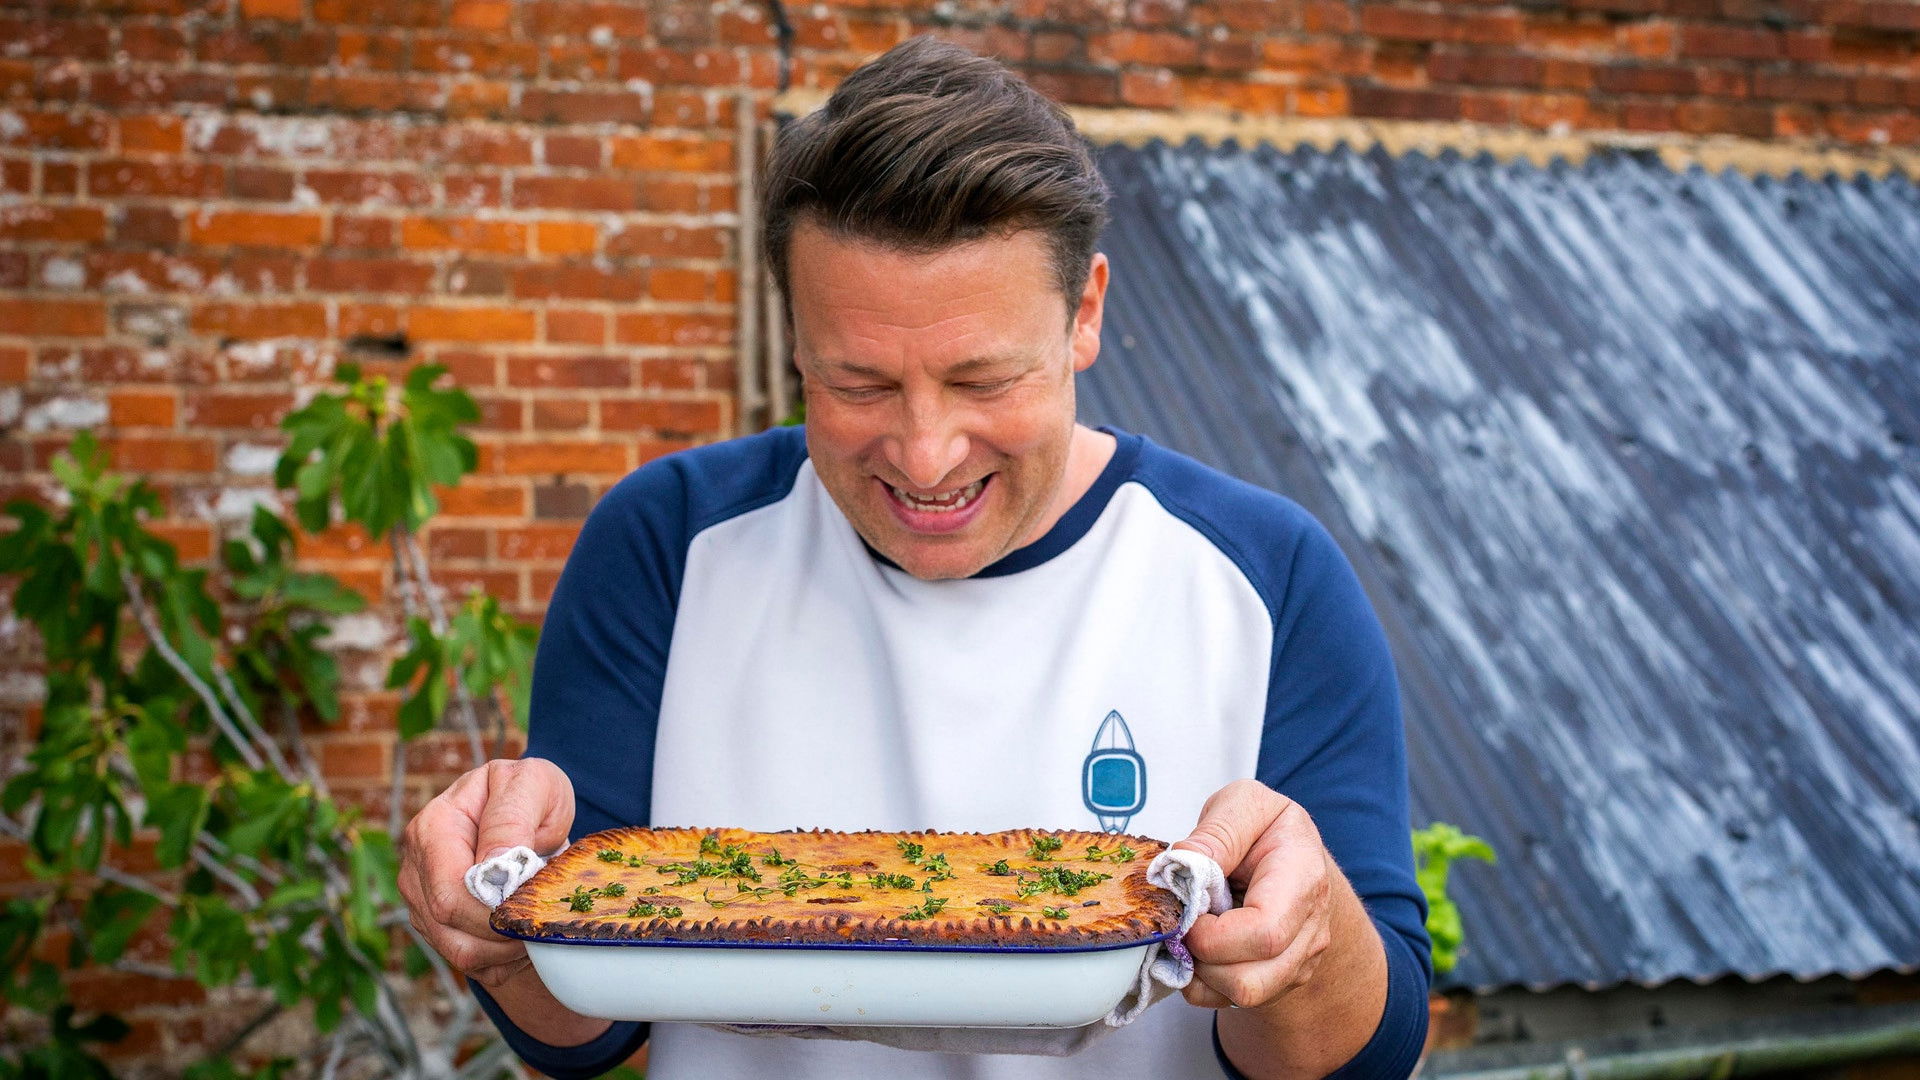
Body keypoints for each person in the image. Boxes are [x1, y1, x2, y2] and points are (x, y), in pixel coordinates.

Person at [397, 35, 1430, 1080]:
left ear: (1085, 313)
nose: (926, 454)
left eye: (982, 381)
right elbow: (580, 1030)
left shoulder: (1264, 576)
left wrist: (1307, 947)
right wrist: (496, 918)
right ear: (794, 337)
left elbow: (1371, 1057)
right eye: (859, 385)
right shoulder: (667, 545)